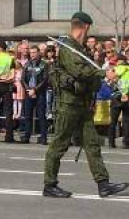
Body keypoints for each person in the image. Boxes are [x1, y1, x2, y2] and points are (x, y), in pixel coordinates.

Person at [43, 12, 128, 198]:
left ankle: (103, 184)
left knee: (92, 144)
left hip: (82, 103)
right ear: (86, 27)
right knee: (59, 144)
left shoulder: (80, 49)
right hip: (68, 104)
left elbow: (88, 74)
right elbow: (79, 72)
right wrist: (103, 74)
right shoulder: (67, 48)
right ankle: (49, 184)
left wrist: (99, 80)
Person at [21, 45, 49, 144]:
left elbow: (45, 79)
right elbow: (23, 79)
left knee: (41, 115)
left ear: (38, 53)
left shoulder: (44, 64)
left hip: (39, 93)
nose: (32, 54)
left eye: (34, 52)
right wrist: (29, 90)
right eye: (31, 53)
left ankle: (43, 137)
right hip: (29, 93)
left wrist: (35, 90)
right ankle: (26, 136)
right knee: (27, 116)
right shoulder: (27, 64)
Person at [107, 55, 129, 149]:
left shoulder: (115, 70)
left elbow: (108, 81)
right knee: (126, 121)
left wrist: (112, 78)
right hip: (127, 97)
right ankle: (126, 143)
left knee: (113, 121)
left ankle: (111, 142)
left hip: (116, 97)